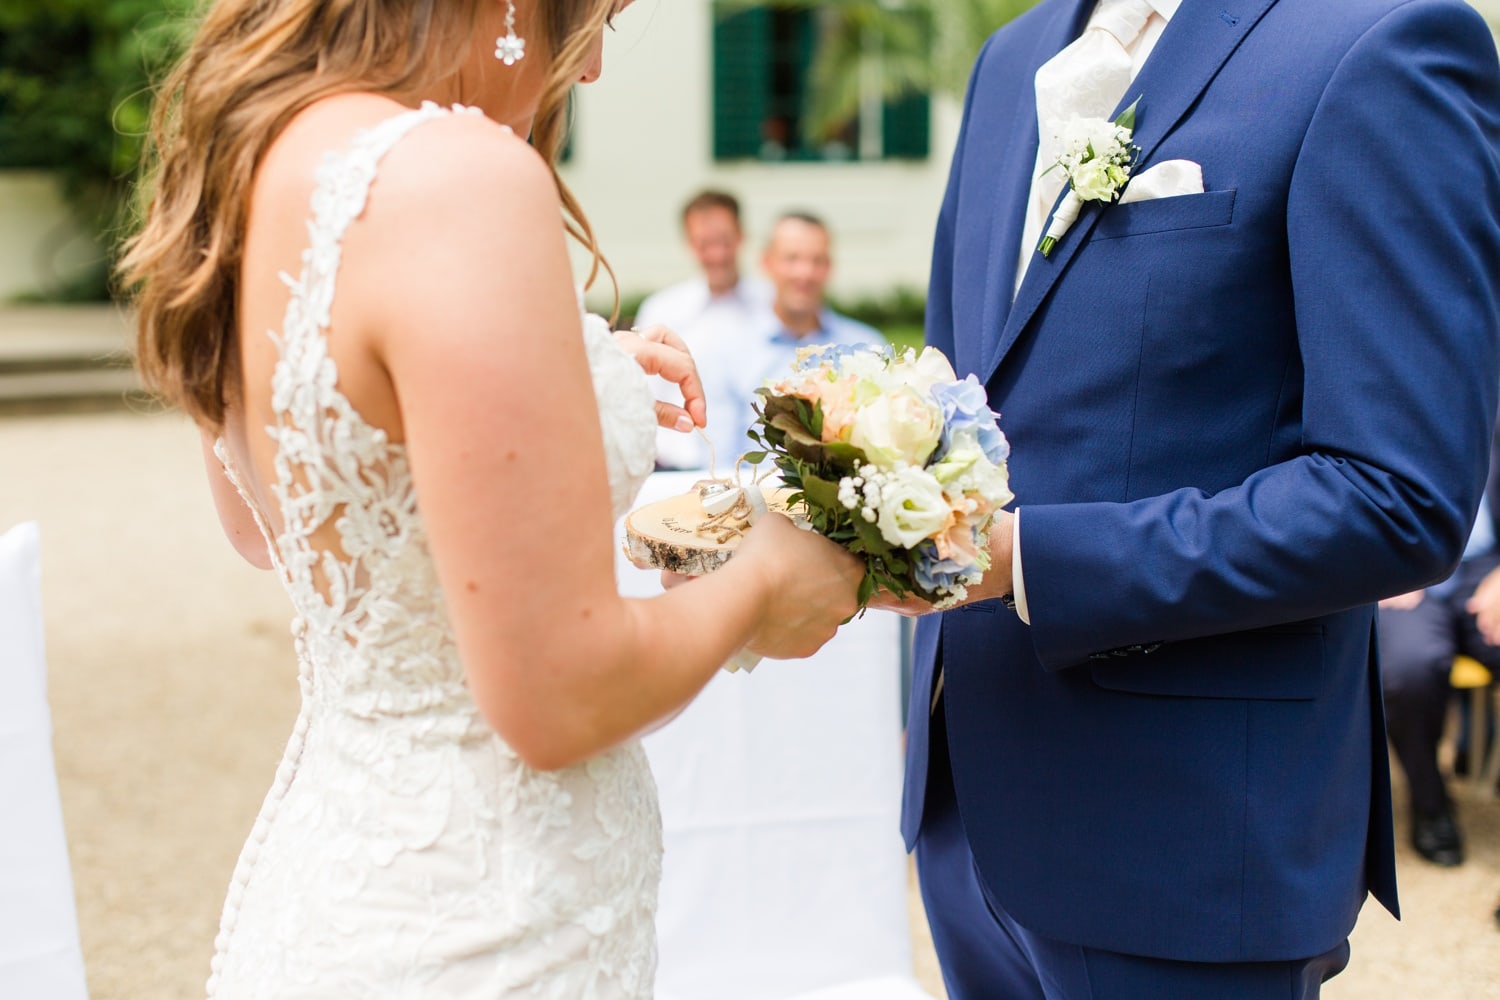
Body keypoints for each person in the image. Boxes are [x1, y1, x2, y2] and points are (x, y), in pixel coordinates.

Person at [119, 0, 862, 995]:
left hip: (339, 891)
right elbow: (560, 694)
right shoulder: (458, 178)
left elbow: (278, 529)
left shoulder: (257, 162)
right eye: (600, 17)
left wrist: (561, 373)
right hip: (483, 931)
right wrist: (767, 575)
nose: (591, 66)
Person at [874, 0, 1500, 996]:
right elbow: (969, 398)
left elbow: (1395, 498)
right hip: (966, 814)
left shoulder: (1379, 42)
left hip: (1183, 840)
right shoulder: (1011, 58)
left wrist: (1024, 561)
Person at [1377, 421, 1500, 867]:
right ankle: (1431, 804)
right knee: (1408, 668)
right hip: (1411, 574)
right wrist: (1379, 566)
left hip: (1486, 570)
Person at [711, 212, 884, 460]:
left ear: (829, 267)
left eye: (817, 260)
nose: (805, 272)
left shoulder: (867, 347)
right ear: (767, 262)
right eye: (792, 259)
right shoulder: (728, 348)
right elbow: (717, 454)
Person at [634, 190, 771, 469]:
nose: (717, 254)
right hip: (674, 467)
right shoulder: (661, 311)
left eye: (724, 241)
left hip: (758, 468)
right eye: (704, 243)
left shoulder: (771, 304)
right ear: (689, 244)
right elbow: (641, 396)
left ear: (741, 237)